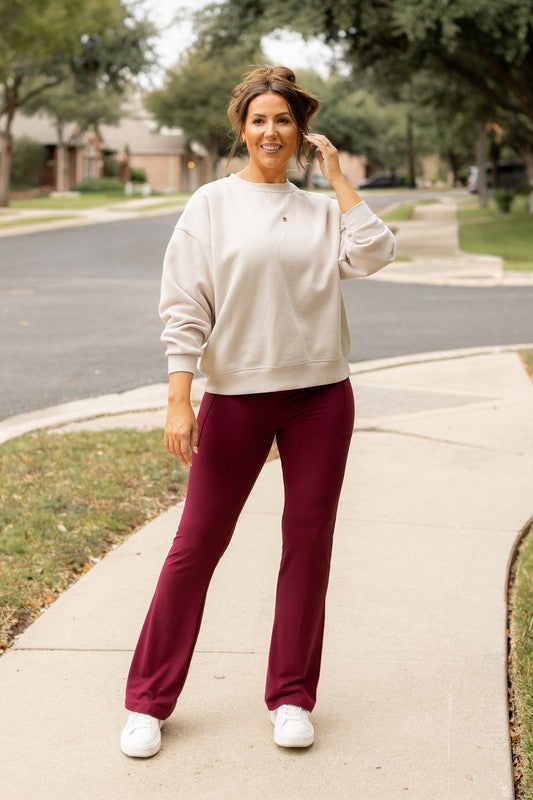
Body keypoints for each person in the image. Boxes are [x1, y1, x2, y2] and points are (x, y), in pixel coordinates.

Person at [120, 64, 396, 758]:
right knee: (195, 546)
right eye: (258, 119)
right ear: (241, 130)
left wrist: (336, 179)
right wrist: (180, 396)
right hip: (235, 395)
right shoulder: (210, 205)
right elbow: (184, 304)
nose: (270, 131)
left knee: (307, 545)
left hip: (320, 397)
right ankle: (148, 702)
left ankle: (292, 697)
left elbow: (374, 253)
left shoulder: (316, 209)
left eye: (283, 120)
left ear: (301, 130)